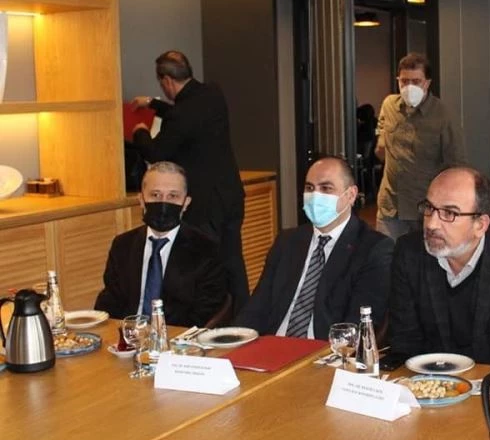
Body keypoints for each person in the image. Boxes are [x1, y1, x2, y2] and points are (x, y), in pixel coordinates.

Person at [389, 167, 490, 365]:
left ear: (480, 225)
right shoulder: (409, 253)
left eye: (449, 213)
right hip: (428, 379)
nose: (431, 224)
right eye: (429, 208)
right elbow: (404, 343)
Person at [130, 50, 248, 314]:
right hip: (229, 195)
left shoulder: (182, 114)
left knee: (207, 265)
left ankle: (216, 318)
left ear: (166, 81)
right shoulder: (212, 93)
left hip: (204, 205)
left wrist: (140, 133)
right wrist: (153, 103)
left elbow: (157, 152)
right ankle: (244, 318)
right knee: (233, 262)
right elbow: (185, 111)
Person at [235, 157, 393, 339]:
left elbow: (357, 326)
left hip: (326, 349)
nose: (315, 195)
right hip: (273, 344)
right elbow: (256, 308)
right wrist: (234, 342)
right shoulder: (287, 241)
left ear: (351, 195)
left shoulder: (373, 249)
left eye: (326, 188)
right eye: (310, 188)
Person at [95, 162, 228, 327]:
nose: (163, 203)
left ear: (186, 203)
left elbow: (204, 312)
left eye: (173, 196)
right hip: (128, 335)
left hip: (177, 336)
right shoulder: (123, 245)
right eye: (155, 195)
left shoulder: (206, 249)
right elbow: (110, 301)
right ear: (141, 200)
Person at [374, 52, 466, 240]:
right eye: (404, 81)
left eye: (416, 82)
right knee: (384, 255)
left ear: (427, 83)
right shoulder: (389, 105)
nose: (409, 87)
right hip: (390, 206)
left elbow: (456, 165)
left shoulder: (443, 115)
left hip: (425, 208)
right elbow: (381, 146)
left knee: (423, 257)